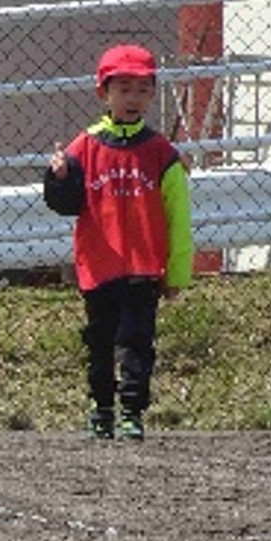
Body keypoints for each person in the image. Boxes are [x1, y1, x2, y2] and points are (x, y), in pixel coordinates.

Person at [43, 44, 193, 441]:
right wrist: (59, 178)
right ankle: (102, 406)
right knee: (100, 340)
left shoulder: (161, 154)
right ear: (104, 94)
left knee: (137, 342)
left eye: (143, 90)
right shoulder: (84, 148)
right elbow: (66, 204)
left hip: (143, 268)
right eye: (123, 89)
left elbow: (178, 217)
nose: (133, 98)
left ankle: (132, 410)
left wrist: (176, 271)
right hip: (99, 265)